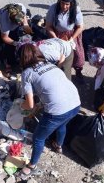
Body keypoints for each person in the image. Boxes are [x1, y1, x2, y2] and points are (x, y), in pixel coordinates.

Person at [19, 43, 81, 178]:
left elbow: (29, 105)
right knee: (62, 124)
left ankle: (32, 166)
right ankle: (58, 146)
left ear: (22, 58)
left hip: (58, 110)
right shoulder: (50, 64)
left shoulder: (27, 73)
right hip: (76, 104)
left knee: (38, 137)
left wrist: (20, 106)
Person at [45, 0, 85, 83]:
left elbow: (80, 27)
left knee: (77, 56)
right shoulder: (53, 8)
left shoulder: (76, 9)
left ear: (71, 3)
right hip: (56, 34)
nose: (64, 6)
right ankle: (60, 73)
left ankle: (78, 72)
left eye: (67, 4)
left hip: (71, 35)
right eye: (62, 3)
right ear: (59, 1)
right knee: (58, 56)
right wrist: (55, 39)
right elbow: (48, 26)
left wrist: (71, 39)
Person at [0, 3, 32, 74]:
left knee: (14, 38)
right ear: (12, 21)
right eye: (18, 23)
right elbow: (5, 37)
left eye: (20, 23)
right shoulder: (5, 22)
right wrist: (16, 43)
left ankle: (11, 61)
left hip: (14, 20)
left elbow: (24, 17)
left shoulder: (21, 7)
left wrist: (26, 25)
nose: (20, 25)